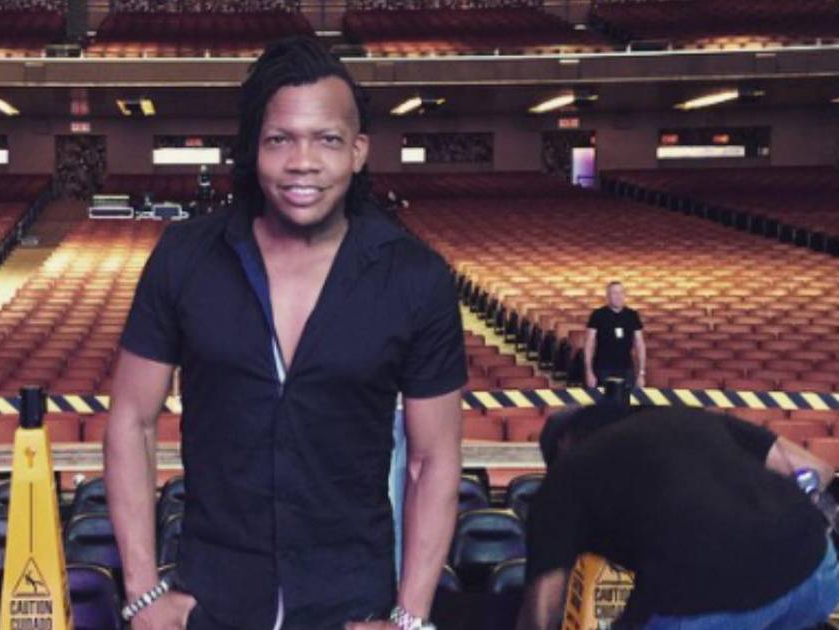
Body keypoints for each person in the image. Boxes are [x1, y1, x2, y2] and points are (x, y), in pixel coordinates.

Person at [105, 36, 468, 630]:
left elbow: (432, 459)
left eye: (327, 139)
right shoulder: (184, 257)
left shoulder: (416, 278)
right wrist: (142, 593)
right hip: (213, 599)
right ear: (254, 149)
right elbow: (131, 420)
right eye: (280, 140)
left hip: (352, 603)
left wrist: (410, 618)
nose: (303, 162)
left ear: (358, 151)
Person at [516, 404, 839, 630]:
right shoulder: (691, 417)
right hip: (817, 570)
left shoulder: (564, 479)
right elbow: (816, 470)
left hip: (709, 594)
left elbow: (542, 614)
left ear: (563, 444)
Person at [583, 281, 646, 390]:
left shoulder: (632, 315)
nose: (618, 296)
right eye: (614, 293)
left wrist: (641, 373)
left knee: (626, 400)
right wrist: (589, 371)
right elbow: (589, 344)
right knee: (603, 401)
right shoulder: (598, 315)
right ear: (608, 296)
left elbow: (640, 345)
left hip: (626, 369)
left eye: (621, 292)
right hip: (602, 369)